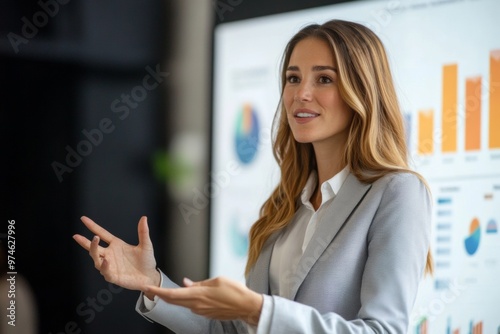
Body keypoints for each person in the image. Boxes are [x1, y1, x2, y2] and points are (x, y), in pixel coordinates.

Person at [73, 19, 433, 333]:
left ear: (363, 92)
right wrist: (152, 282)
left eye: (324, 79)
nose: (301, 94)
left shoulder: (396, 191)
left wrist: (259, 310)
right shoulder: (285, 205)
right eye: (293, 78)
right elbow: (234, 331)